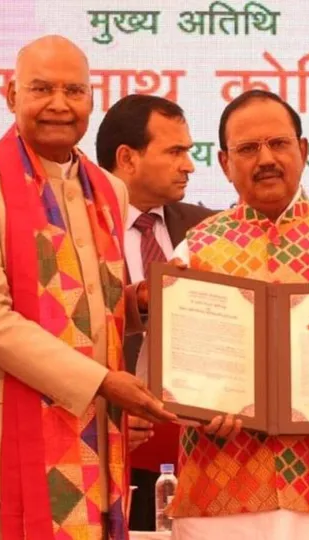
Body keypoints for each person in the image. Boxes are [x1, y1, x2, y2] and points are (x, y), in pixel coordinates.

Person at [0, 35, 176, 540]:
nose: (59, 105)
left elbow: (89, 301)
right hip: (1, 452)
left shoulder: (107, 188)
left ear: (92, 99)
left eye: (74, 91)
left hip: (93, 443)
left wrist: (138, 304)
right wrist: (102, 382)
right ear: (10, 94)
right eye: (41, 89)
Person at [162, 89, 309, 539]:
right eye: (247, 149)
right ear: (225, 163)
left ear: (302, 150)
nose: (265, 158)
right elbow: (164, 371)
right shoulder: (194, 247)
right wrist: (196, 409)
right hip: (217, 492)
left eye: (278, 144)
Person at [94, 94, 215, 530]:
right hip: (105, 459)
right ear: (127, 158)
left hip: (201, 456)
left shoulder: (211, 229)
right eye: (175, 152)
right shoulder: (74, 228)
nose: (190, 166)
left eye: (190, 151)